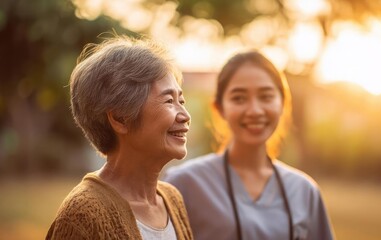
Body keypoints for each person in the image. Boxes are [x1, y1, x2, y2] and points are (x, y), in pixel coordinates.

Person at [163, 51, 334, 240]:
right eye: (239, 98)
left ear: (283, 103)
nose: (254, 110)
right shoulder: (184, 183)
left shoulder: (304, 191)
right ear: (219, 108)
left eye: (266, 96)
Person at [46, 35, 193, 240]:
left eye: (182, 100)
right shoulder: (82, 215)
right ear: (120, 118)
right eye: (169, 101)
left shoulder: (172, 199)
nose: (186, 116)